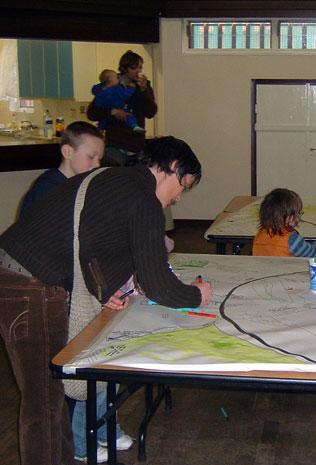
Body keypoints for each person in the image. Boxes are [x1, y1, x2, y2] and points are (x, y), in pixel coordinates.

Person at [0, 136, 212, 465]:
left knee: (49, 397)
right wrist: (197, 295)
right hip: (29, 285)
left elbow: (89, 241)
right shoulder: (143, 199)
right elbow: (159, 286)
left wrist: (104, 289)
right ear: (172, 168)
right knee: (44, 400)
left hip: (18, 276)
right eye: (183, 185)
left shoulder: (114, 178)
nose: (179, 197)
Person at [87, 50, 157, 165]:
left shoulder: (143, 86)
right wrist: (112, 112)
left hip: (136, 145)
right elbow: (92, 113)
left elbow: (151, 112)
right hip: (114, 144)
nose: (138, 71)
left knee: (136, 175)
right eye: (134, 68)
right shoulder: (111, 82)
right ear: (124, 68)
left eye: (140, 67)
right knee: (116, 174)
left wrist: (144, 91)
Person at [20, 121, 104, 215]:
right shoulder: (46, 190)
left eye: (99, 158)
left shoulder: (83, 184)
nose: (97, 164)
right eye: (91, 157)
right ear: (67, 152)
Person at [253, 188, 316, 257]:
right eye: (298, 213)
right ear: (289, 217)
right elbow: (312, 254)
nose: (299, 218)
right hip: (286, 267)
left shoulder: (260, 234)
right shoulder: (292, 238)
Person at [91, 69, 146, 133]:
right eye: (117, 78)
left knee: (103, 120)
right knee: (128, 115)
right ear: (111, 82)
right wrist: (131, 88)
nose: (118, 80)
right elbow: (125, 94)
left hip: (105, 108)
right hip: (118, 107)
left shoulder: (99, 90)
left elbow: (97, 102)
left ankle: (100, 129)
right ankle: (134, 125)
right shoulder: (115, 90)